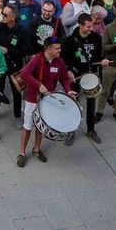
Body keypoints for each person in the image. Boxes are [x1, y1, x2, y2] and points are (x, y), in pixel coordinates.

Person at [16, 36, 75, 167]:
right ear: (48, 49)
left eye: (59, 48)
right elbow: (24, 73)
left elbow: (64, 79)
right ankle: (22, 152)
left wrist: (68, 91)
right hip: (32, 99)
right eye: (57, 48)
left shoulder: (59, 61)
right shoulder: (37, 59)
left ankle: (36, 149)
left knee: (41, 126)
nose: (60, 50)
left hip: (47, 100)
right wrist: (39, 85)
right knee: (28, 126)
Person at [62, 13, 109, 144]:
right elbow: (64, 58)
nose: (91, 28)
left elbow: (98, 56)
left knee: (91, 104)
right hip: (75, 76)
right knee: (73, 104)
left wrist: (102, 61)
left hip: (90, 75)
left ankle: (91, 129)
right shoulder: (70, 40)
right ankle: (71, 130)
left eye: (91, 25)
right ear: (80, 25)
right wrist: (68, 70)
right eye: (88, 26)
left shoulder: (96, 38)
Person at [0, 5, 32, 127]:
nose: (2, 16)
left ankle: (17, 116)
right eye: (2, 14)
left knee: (16, 91)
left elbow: (27, 50)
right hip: (0, 64)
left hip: (15, 65)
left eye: (5, 15)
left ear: (13, 16)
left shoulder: (22, 31)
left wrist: (9, 51)